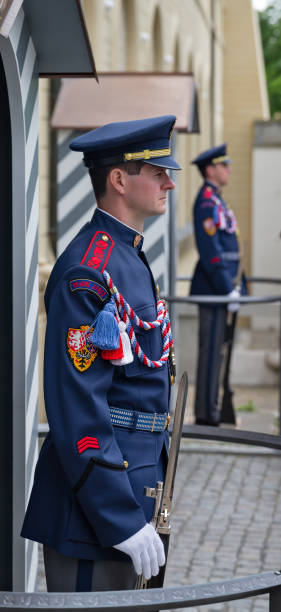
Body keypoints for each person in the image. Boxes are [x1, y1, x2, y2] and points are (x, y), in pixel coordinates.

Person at [21, 115, 181, 592]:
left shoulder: (126, 254)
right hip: (94, 506)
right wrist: (118, 516)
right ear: (118, 179)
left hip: (138, 480)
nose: (168, 182)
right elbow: (78, 410)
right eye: (157, 172)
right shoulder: (87, 269)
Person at [190, 144, 246, 426]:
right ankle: (205, 413)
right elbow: (211, 251)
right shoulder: (207, 203)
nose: (229, 169)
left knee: (219, 352)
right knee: (211, 352)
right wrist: (227, 288)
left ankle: (212, 407)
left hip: (223, 289)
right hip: (214, 290)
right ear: (210, 169)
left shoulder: (218, 201)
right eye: (224, 165)